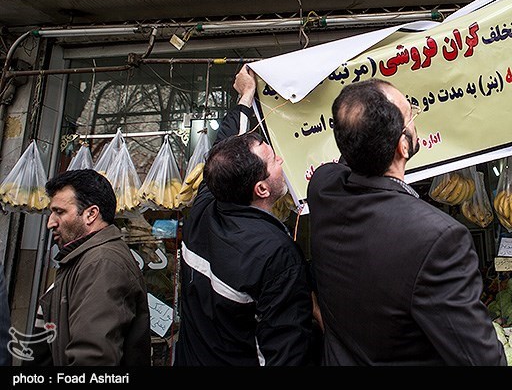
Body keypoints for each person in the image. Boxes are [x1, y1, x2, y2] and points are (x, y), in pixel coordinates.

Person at [306, 79, 506, 366]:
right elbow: (480, 361)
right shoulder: (438, 238)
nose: (414, 118)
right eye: (411, 114)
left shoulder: (323, 187)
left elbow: (346, 158)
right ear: (403, 145)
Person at [174, 65, 319, 366]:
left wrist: (245, 98)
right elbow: (288, 352)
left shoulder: (204, 207)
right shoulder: (275, 254)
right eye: (272, 159)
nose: (280, 158)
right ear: (262, 189)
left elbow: (222, 151)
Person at [30, 168, 150, 366]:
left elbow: (93, 359)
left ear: (91, 214)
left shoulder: (102, 263)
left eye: (59, 212)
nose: (51, 223)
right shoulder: (82, 259)